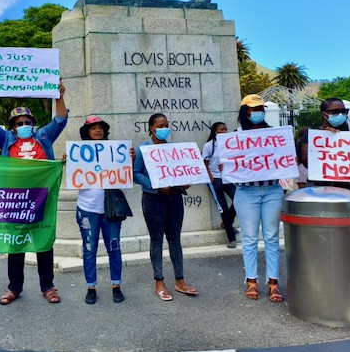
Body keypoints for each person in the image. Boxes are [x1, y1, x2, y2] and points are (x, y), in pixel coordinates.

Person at [0, 81, 68, 305]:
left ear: (34, 124)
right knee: (16, 243)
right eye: (19, 123)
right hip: (15, 200)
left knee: (43, 240)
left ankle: (48, 286)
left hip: (41, 198)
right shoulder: (6, 139)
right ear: (12, 126)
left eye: (27, 122)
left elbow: (60, 119)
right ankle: (14, 287)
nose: (24, 125)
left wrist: (59, 97)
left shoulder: (44, 137)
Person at [133, 113, 198, 301]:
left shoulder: (174, 149)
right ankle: (159, 281)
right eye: (160, 125)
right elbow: (136, 174)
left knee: (175, 239)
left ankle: (180, 280)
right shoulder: (143, 149)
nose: (164, 128)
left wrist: (184, 182)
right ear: (151, 128)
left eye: (166, 125)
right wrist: (155, 184)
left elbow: (180, 171)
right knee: (156, 240)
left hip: (174, 198)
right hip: (153, 200)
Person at [74, 115, 133, 304]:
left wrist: (129, 159)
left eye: (100, 127)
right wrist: (69, 162)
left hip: (110, 210)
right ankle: (91, 287)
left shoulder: (116, 151)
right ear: (87, 132)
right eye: (93, 128)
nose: (97, 130)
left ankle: (116, 285)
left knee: (114, 248)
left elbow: (125, 174)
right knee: (89, 250)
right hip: (87, 209)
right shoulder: (78, 153)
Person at [233, 94, 285, 303]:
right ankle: (251, 281)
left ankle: (273, 282)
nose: (258, 112)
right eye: (254, 109)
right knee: (250, 238)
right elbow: (225, 163)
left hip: (272, 190)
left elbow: (284, 158)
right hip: (246, 193)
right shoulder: (235, 136)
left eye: (261, 109)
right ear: (245, 112)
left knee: (272, 237)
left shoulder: (274, 134)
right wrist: (225, 167)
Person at [299, 98, 350, 191]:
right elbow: (306, 162)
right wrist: (325, 139)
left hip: (345, 188)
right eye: (335, 112)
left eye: (343, 111)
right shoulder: (312, 135)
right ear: (323, 114)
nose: (341, 115)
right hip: (318, 188)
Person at [202, 122, 237, 248]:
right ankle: (231, 238)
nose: (225, 131)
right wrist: (210, 176)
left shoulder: (229, 145)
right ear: (215, 132)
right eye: (222, 129)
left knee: (239, 200)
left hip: (227, 178)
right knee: (223, 208)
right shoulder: (208, 146)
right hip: (215, 180)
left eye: (226, 129)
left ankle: (227, 223)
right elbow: (205, 163)